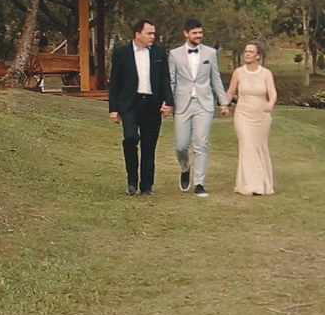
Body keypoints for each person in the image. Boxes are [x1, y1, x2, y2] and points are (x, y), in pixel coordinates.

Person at [109, 20, 174, 196]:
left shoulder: (159, 52)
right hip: (130, 104)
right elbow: (114, 82)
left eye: (154, 33)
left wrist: (169, 103)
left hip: (152, 104)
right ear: (138, 34)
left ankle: (146, 186)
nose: (153, 36)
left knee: (149, 145)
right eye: (149, 33)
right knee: (130, 138)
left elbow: (164, 79)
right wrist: (113, 109)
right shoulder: (122, 53)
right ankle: (132, 182)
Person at [168, 18, 230, 198]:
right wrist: (167, 102)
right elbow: (172, 80)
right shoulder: (175, 54)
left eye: (200, 33)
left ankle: (199, 183)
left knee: (201, 144)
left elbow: (216, 78)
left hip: (204, 103)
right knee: (181, 146)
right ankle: (185, 166)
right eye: (195, 33)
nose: (198, 36)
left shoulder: (211, 53)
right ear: (186, 34)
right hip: (182, 103)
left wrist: (223, 101)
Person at [227, 41, 277, 196]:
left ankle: (262, 183)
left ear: (258, 55)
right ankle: (250, 184)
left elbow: (273, 93)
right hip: (243, 115)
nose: (247, 54)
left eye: (250, 52)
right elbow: (230, 92)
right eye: (245, 51)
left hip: (261, 115)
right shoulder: (238, 72)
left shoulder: (266, 73)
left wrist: (270, 104)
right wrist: (224, 104)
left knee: (259, 147)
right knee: (247, 145)